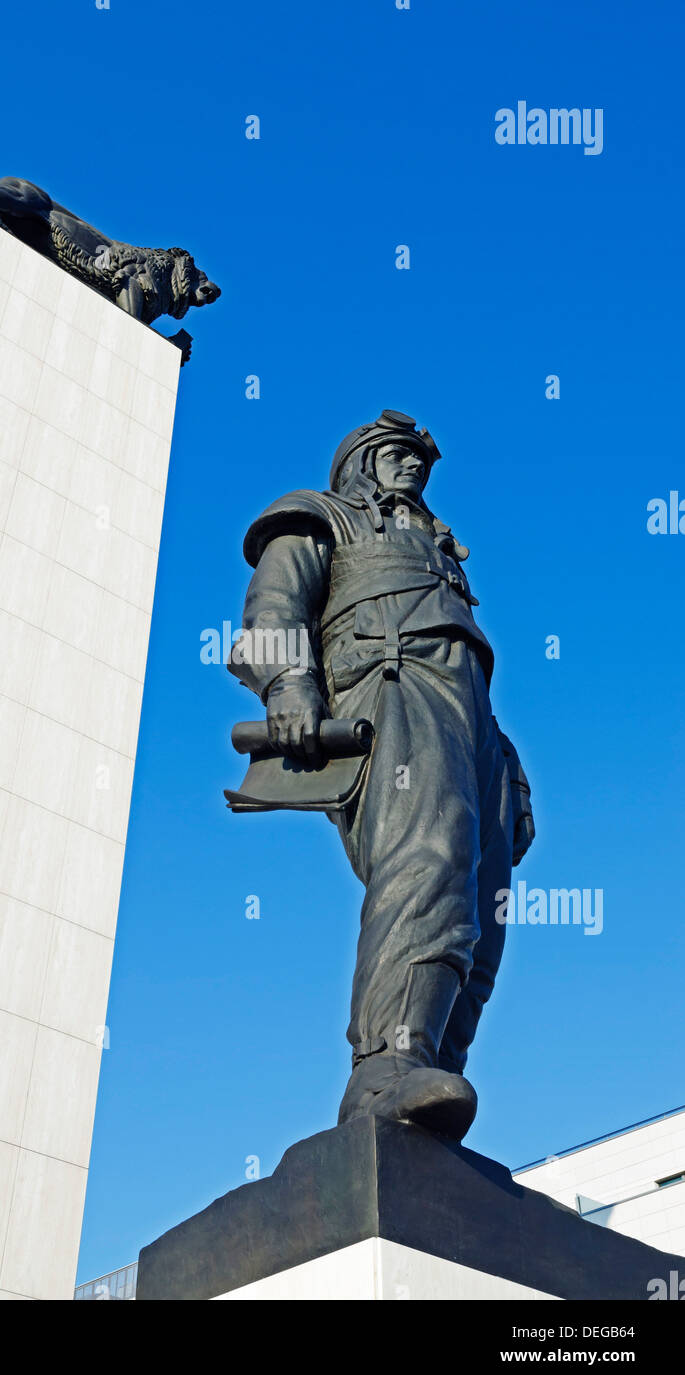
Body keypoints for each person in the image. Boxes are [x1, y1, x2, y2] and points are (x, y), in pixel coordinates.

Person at [228, 410, 534, 1140]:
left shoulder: (440, 553)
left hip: (471, 723)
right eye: (397, 454)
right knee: (425, 860)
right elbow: (273, 608)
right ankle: (382, 1073)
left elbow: (473, 677)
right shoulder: (317, 516)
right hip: (388, 691)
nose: (412, 468)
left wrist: (510, 773)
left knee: (484, 908)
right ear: (361, 461)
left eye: (420, 462)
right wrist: (289, 687)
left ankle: (432, 1076)